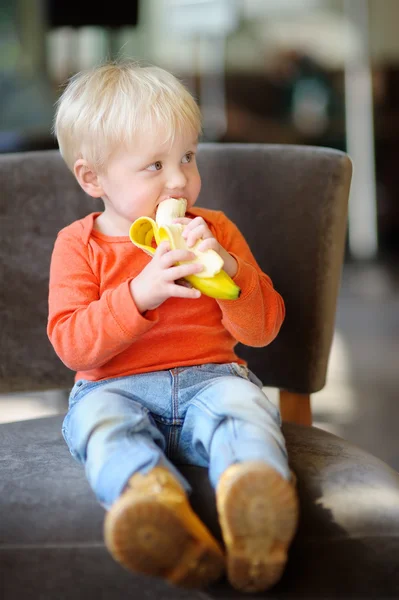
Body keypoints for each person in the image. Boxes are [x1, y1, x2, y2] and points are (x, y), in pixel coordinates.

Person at [47, 60, 298, 593]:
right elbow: (71, 343)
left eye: (187, 156)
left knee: (245, 407)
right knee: (101, 425)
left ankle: (254, 503)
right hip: (113, 388)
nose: (180, 180)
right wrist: (137, 294)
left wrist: (228, 271)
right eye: (154, 165)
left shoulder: (217, 231)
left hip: (213, 380)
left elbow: (264, 330)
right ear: (93, 178)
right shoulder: (79, 245)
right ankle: (153, 506)